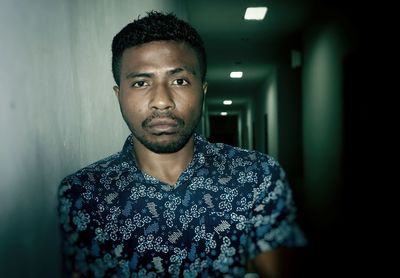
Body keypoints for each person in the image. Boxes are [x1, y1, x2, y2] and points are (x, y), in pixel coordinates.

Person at [58, 11, 306, 277]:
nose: (162, 100)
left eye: (179, 81)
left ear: (202, 90)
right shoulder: (83, 194)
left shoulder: (258, 176)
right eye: (141, 83)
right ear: (119, 95)